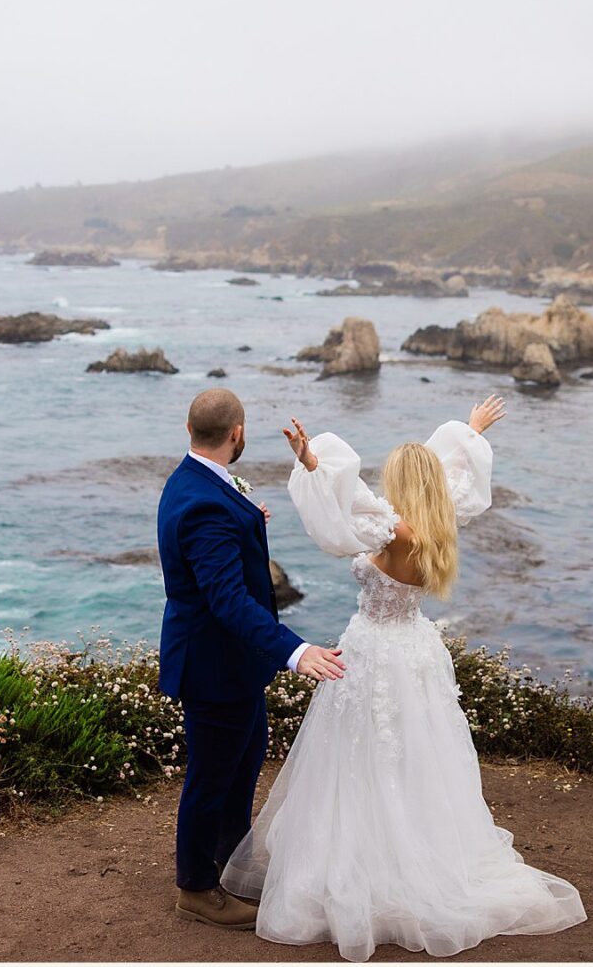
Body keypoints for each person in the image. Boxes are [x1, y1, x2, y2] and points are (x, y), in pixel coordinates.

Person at [220, 394, 587, 961]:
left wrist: (314, 465)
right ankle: (422, 855)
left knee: (359, 761)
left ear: (404, 485)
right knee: (416, 758)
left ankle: (367, 872)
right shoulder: (442, 524)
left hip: (372, 653)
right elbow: (451, 477)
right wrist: (471, 430)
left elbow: (349, 512)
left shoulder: (396, 531)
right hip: (415, 651)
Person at [156, 388, 347, 930]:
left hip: (233, 664)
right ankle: (195, 888)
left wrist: (247, 521)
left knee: (243, 762)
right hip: (214, 665)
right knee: (212, 775)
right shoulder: (205, 503)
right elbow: (227, 599)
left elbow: (219, 545)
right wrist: (295, 649)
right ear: (237, 433)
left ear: (189, 429)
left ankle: (231, 864)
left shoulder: (197, 480)